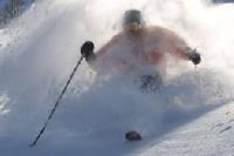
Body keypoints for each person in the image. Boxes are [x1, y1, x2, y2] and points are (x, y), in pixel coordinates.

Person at [81, 9, 201, 90]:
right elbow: (99, 63)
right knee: (119, 84)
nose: (132, 30)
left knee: (147, 79)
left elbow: (175, 45)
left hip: (154, 78)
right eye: (128, 26)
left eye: (134, 25)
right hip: (130, 83)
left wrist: (190, 54)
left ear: (142, 24)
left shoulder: (156, 34)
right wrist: (89, 55)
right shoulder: (119, 40)